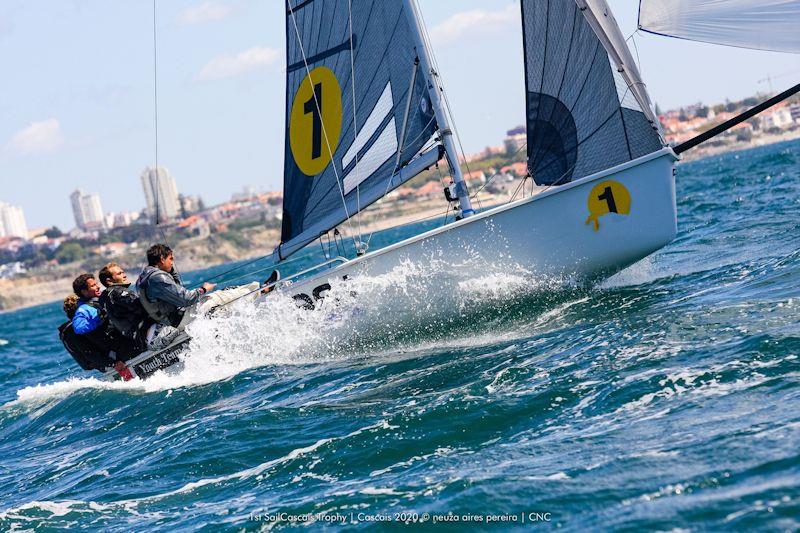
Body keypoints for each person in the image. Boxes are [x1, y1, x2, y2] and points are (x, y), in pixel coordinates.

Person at [98, 262, 152, 355]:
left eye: (123, 272)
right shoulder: (120, 292)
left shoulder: (103, 298)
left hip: (132, 338)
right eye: (119, 274)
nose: (124, 275)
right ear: (109, 281)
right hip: (145, 331)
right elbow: (144, 308)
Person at [58, 294, 116, 372]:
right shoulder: (74, 329)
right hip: (107, 363)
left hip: (101, 363)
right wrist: (112, 363)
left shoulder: (69, 329)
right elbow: (88, 351)